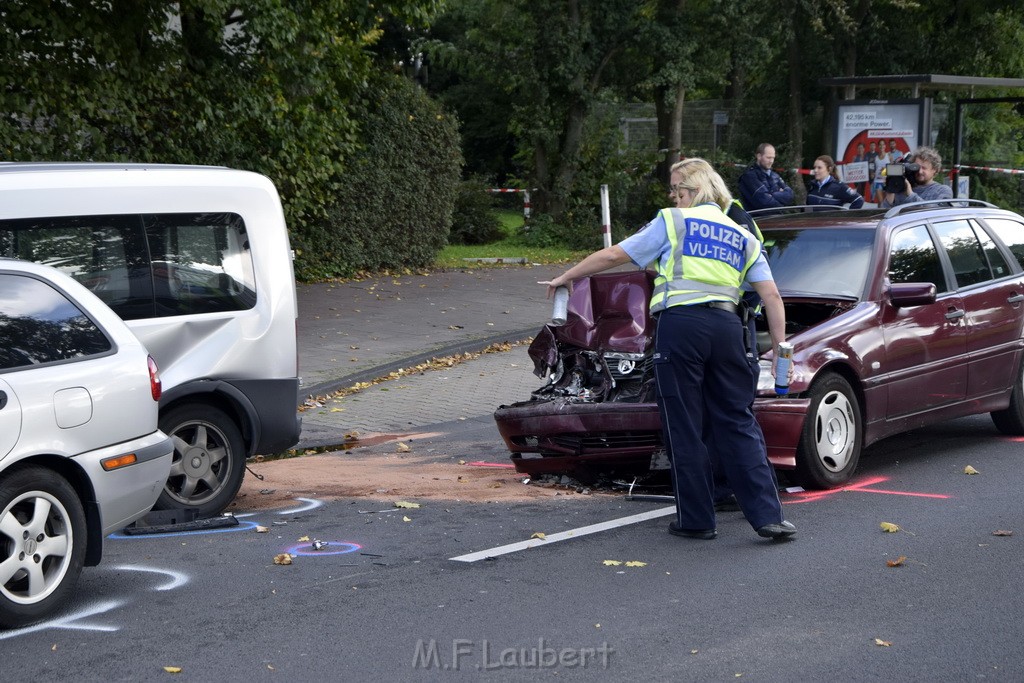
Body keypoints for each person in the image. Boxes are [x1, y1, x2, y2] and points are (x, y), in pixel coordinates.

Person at [540, 158, 796, 541]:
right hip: (728, 329)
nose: (675, 197)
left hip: (682, 327)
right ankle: (768, 516)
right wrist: (779, 349)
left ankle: (697, 520)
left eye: (678, 191)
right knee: (738, 420)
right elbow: (771, 295)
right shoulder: (741, 232)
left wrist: (568, 276)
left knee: (684, 425)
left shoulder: (673, 221)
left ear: (694, 191)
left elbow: (615, 256)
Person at [881, 145, 954, 207]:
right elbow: (884, 214)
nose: (920, 171)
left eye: (924, 168)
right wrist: (890, 189)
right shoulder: (902, 187)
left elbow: (934, 214)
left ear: (934, 170)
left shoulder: (942, 190)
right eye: (917, 167)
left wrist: (910, 194)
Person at [738, 143, 794, 210]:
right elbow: (763, 202)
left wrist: (772, 195)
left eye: (773, 158)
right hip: (759, 218)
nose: (771, 161)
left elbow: (790, 195)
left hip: (778, 217)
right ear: (759, 156)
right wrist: (781, 200)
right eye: (768, 157)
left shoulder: (775, 175)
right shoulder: (749, 176)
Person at [871, 139, 890, 205]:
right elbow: (873, 169)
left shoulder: (889, 156)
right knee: (881, 202)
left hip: (887, 181)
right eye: (880, 145)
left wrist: (885, 170)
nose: (882, 146)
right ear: (878, 146)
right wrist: (872, 174)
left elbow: (893, 168)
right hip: (878, 181)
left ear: (885, 146)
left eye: (883, 144)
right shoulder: (875, 158)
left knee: (887, 202)